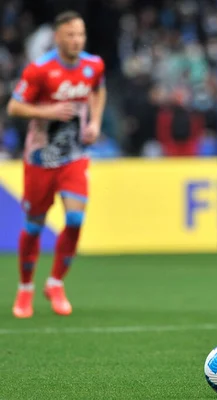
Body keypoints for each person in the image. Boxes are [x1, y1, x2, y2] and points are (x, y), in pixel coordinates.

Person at [7, 11, 106, 318]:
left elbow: (99, 90)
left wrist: (96, 123)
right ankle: (25, 289)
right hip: (40, 158)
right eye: (70, 35)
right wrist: (49, 113)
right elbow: (13, 106)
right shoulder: (40, 70)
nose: (76, 40)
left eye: (80, 34)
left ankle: (55, 283)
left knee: (75, 220)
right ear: (58, 37)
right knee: (34, 226)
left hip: (74, 156)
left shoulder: (93, 65)